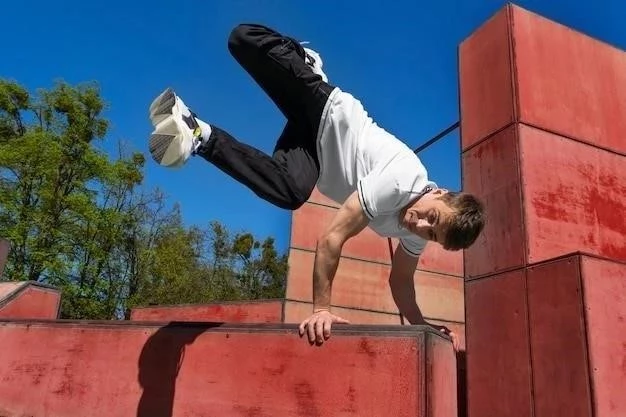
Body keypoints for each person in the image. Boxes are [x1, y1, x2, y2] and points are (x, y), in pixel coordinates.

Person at [147, 23, 485, 351]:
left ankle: (198, 132)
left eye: (431, 235)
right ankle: (303, 57)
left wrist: (422, 326)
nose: (420, 226)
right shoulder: (402, 179)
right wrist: (321, 307)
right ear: (439, 193)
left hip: (313, 153)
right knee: (242, 39)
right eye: (432, 220)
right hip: (326, 111)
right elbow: (332, 238)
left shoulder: (414, 234)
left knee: (290, 192)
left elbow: (401, 281)